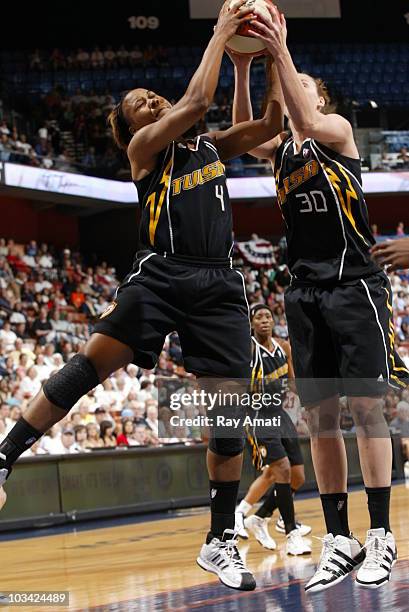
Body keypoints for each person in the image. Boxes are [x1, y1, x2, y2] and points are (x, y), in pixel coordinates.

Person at [0, 1, 284, 593]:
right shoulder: (145, 151)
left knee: (230, 418)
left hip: (219, 284)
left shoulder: (206, 147)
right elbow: (196, 104)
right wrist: (219, 36)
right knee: (89, 366)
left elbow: (270, 127)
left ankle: (218, 541)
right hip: (160, 276)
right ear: (132, 128)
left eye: (151, 95)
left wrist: (262, 57)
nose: (149, 101)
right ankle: (4, 456)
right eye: (138, 105)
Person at [231, 3, 409, 591]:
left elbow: (302, 119)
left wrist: (278, 46)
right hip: (305, 292)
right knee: (320, 419)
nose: (289, 85)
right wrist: (240, 65)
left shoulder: (335, 132)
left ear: (320, 97)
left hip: (354, 283)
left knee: (365, 410)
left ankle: (380, 534)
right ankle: (341, 537)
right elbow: (248, 130)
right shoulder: (281, 147)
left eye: (300, 83)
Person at [235, 304, 311, 556]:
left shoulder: (283, 348)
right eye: (259, 317)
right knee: (281, 471)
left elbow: (293, 384)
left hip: (280, 415)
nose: (264, 321)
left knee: (298, 477)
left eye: (268, 316)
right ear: (252, 324)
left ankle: (259, 517)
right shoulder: (247, 348)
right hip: (257, 417)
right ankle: (291, 533)